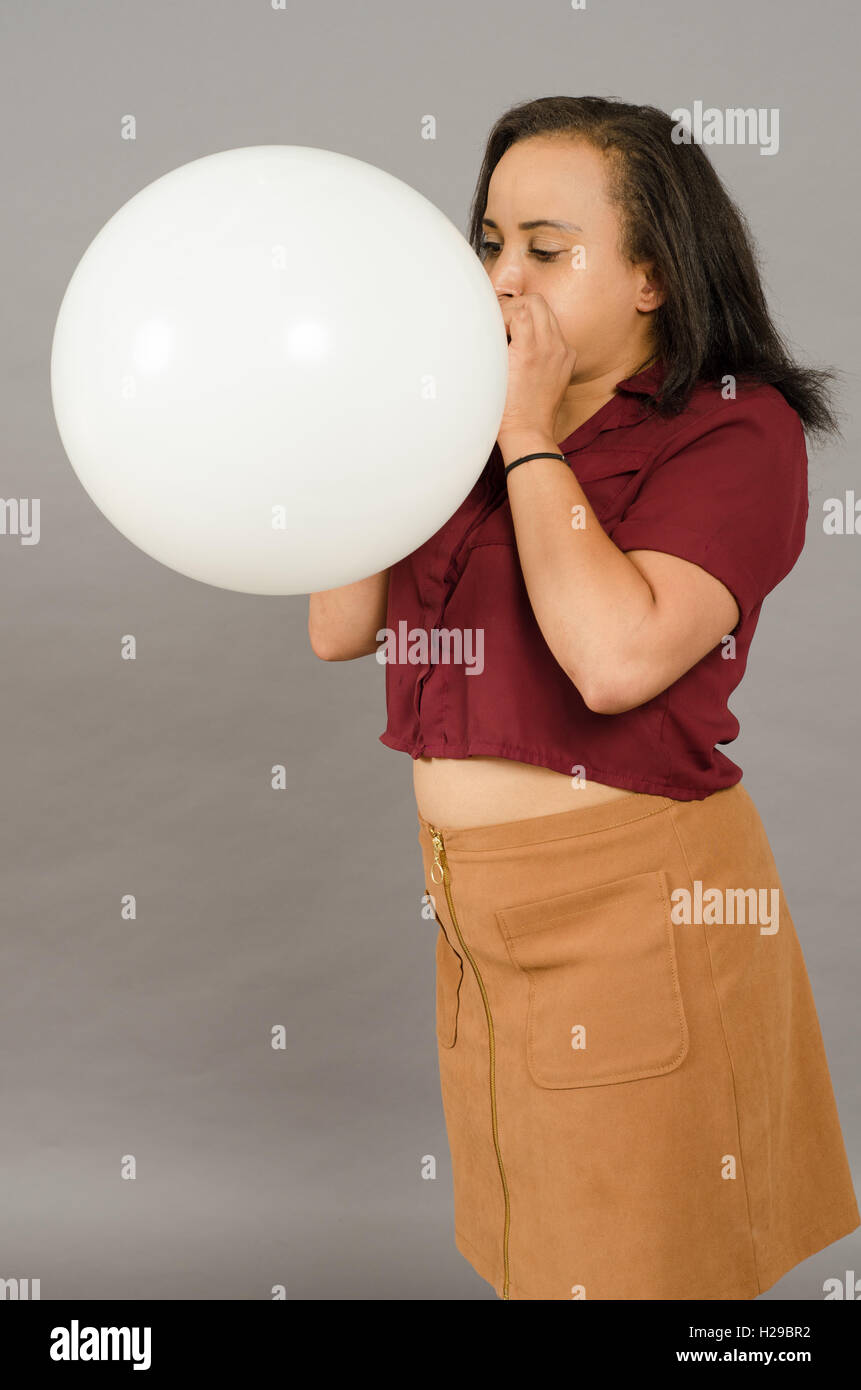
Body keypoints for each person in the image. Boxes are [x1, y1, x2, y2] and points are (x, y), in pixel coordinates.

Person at [308, 94, 859, 1301]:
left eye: (546, 250)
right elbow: (339, 624)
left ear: (655, 274)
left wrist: (521, 430)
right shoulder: (444, 413)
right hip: (479, 918)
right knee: (538, 1258)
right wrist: (354, 417)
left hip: (635, 916)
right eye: (490, 242)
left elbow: (614, 660)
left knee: (643, 1272)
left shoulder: (732, 432)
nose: (505, 276)